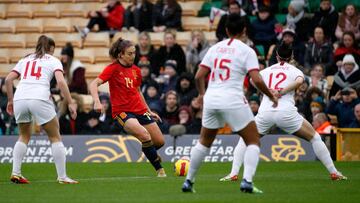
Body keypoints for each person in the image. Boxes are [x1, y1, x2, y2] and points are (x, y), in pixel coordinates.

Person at [220, 43, 347, 183]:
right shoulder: (294, 70)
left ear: (276, 56)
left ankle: (233, 173)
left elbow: (252, 80)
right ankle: (334, 173)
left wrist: (268, 92)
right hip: (286, 112)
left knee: (244, 139)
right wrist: (281, 92)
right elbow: (300, 81)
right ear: (291, 56)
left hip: (266, 112)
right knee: (315, 138)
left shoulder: (266, 71)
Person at [181, 14, 278, 194]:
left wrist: (202, 94)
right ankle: (247, 181)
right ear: (244, 31)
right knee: (253, 140)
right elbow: (256, 78)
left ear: (226, 30)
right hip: (232, 98)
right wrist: (270, 95)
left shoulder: (215, 48)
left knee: (204, 142)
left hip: (211, 98)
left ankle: (189, 181)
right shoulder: (247, 50)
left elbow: (198, 75)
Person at [4, 35, 78, 184]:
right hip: (40, 97)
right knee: (55, 136)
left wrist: (11, 101)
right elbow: (61, 82)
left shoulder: (25, 59)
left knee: (24, 136)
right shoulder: (53, 60)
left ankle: (16, 172)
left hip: (20, 98)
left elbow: (8, 80)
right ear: (51, 48)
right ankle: (62, 177)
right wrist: (70, 102)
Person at [89, 38, 166, 177]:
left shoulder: (136, 70)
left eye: (134, 53)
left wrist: (148, 110)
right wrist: (97, 101)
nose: (133, 56)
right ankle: (160, 170)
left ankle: (149, 151)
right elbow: (93, 84)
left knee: (159, 141)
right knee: (144, 134)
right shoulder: (112, 69)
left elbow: (138, 91)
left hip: (140, 110)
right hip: (122, 111)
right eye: (129, 53)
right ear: (120, 55)